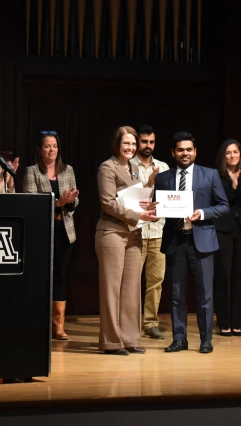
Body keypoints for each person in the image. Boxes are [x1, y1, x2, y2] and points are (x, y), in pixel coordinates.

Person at [154, 131, 229, 354]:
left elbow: (223, 205)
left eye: (189, 149)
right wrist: (154, 210)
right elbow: (158, 207)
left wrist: (203, 213)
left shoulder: (210, 174)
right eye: (180, 150)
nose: (185, 153)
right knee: (177, 294)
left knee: (204, 294)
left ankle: (206, 340)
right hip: (176, 241)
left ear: (195, 152)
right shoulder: (163, 178)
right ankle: (179, 339)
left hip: (202, 241)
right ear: (173, 153)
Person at [96, 126, 158, 355]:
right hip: (112, 233)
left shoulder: (132, 168)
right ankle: (111, 342)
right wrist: (138, 215)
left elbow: (135, 199)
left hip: (133, 233)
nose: (131, 148)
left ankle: (130, 339)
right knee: (112, 289)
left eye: (134, 144)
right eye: (126, 144)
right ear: (117, 145)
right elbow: (108, 203)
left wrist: (149, 196)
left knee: (132, 288)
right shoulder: (107, 167)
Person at [23, 131, 79, 340]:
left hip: (65, 232)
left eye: (55, 146)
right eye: (47, 146)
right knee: (40, 277)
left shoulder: (68, 170)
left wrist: (71, 201)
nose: (52, 150)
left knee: (60, 277)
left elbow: (75, 203)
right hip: (42, 232)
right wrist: (57, 203)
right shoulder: (32, 172)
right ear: (39, 149)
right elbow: (30, 202)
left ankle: (58, 326)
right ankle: (37, 324)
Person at [213, 139, 241, 337]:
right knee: (223, 277)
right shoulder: (217, 176)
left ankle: (237, 321)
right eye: (228, 153)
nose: (232, 156)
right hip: (223, 230)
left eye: (235, 152)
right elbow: (223, 202)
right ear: (223, 156)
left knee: (240, 276)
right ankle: (223, 322)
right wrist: (234, 184)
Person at [130, 125, 169, 339]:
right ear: (137, 143)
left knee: (156, 281)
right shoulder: (128, 166)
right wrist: (150, 182)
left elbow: (170, 196)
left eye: (151, 142)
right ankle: (131, 323)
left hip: (158, 230)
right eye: (144, 142)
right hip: (136, 231)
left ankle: (150, 322)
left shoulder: (163, 166)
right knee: (132, 281)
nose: (148, 146)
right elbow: (132, 199)